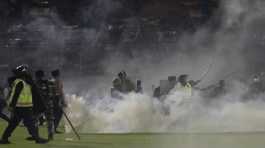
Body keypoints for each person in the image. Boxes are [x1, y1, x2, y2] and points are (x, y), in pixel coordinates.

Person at [0, 65, 48, 144]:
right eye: (25, 72)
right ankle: (37, 139)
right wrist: (12, 106)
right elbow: (15, 95)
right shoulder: (20, 82)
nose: (27, 74)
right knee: (30, 123)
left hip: (22, 107)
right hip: (22, 107)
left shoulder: (24, 82)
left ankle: (4, 139)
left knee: (13, 124)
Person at [35, 70, 54, 140]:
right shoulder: (48, 83)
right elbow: (51, 94)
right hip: (48, 104)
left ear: (37, 76)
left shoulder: (35, 83)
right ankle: (50, 134)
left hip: (39, 104)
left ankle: (36, 135)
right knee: (50, 120)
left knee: (35, 119)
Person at [49, 69, 66, 134]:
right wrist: (62, 101)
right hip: (56, 99)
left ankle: (53, 128)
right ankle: (54, 128)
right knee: (58, 114)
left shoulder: (51, 81)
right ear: (58, 74)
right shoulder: (57, 81)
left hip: (52, 99)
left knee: (56, 114)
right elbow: (60, 92)